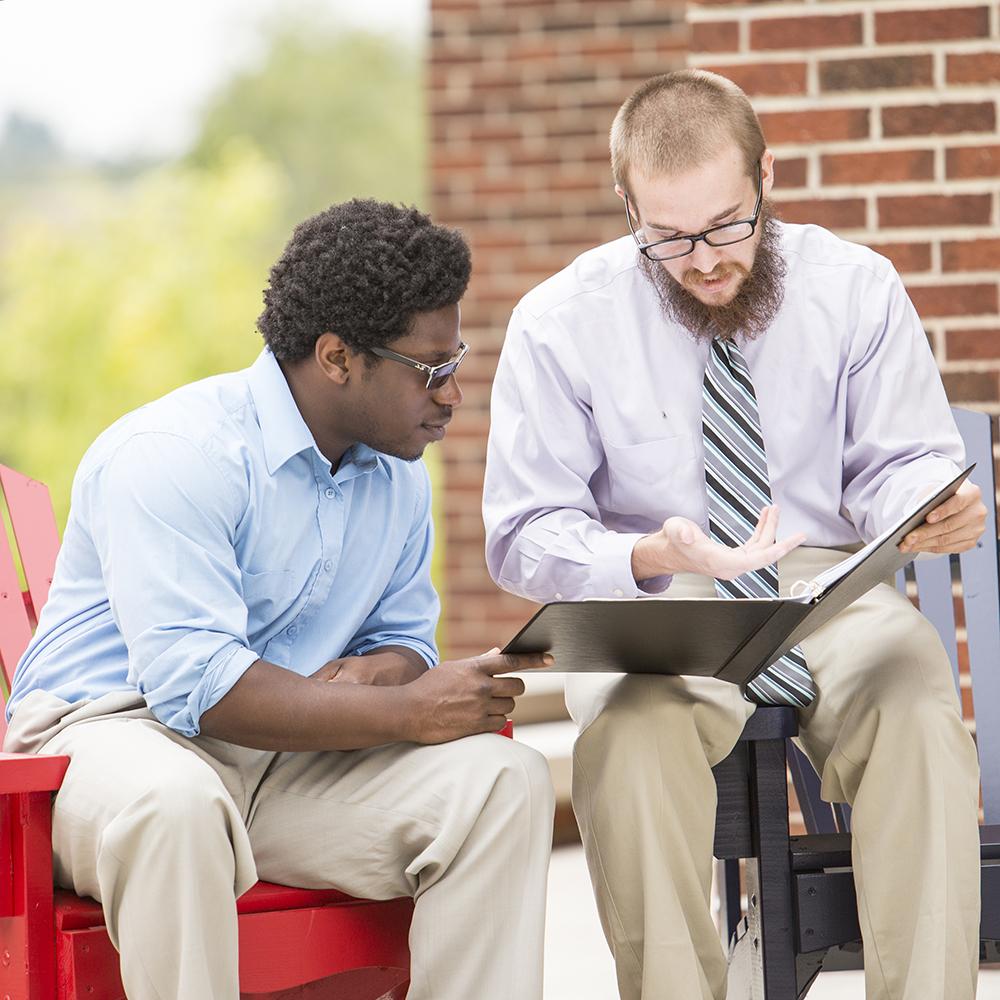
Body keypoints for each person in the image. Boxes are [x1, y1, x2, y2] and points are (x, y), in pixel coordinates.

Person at [483, 70, 987, 1000]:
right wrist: (642, 556)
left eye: (727, 224)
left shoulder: (856, 288)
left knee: (917, 710)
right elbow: (522, 532)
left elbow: (902, 459)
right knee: (625, 747)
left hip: (827, 587)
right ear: (626, 202)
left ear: (766, 178)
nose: (705, 259)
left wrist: (927, 503)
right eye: (667, 238)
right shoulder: (559, 324)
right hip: (659, 610)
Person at [5, 198, 555, 1000]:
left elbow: (404, 638)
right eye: (431, 369)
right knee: (179, 806)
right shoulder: (175, 454)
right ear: (337, 357)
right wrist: (407, 711)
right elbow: (201, 689)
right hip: (106, 745)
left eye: (456, 360)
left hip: (284, 763)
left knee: (503, 783)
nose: (453, 394)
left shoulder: (394, 475)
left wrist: (383, 673)